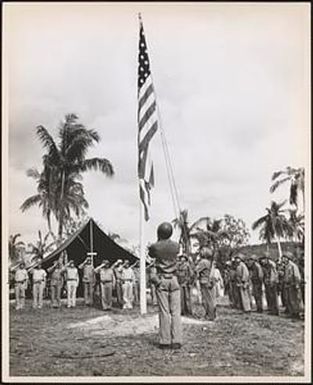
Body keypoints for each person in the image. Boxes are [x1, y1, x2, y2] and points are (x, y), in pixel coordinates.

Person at [148, 222, 182, 350]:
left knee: (164, 311)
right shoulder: (176, 246)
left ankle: (165, 341)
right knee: (176, 312)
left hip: (162, 278)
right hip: (174, 279)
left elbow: (152, 254)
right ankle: (177, 340)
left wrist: (158, 240)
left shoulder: (155, 246)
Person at [196, 247, 217, 321]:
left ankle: (209, 315)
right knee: (210, 299)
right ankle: (211, 314)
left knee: (206, 299)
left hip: (204, 281)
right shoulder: (208, 262)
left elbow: (196, 269)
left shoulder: (203, 262)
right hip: (208, 281)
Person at [282, 251, 304, 319]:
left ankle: (297, 313)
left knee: (294, 300)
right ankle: (293, 313)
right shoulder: (286, 266)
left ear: (288, 258)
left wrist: (297, 285)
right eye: (283, 258)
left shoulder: (293, 266)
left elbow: (297, 276)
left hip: (293, 285)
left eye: (285, 258)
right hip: (288, 285)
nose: (283, 259)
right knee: (289, 299)